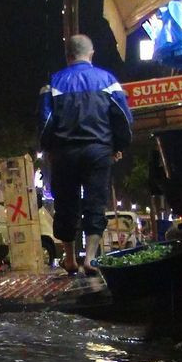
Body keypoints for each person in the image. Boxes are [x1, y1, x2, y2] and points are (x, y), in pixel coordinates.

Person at [39, 34, 133, 275]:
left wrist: (49, 148)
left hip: (64, 153)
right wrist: (118, 147)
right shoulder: (108, 81)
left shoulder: (53, 83)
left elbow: (46, 121)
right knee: (95, 203)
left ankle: (69, 259)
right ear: (91, 54)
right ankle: (90, 259)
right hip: (98, 151)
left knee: (65, 204)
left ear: (68, 55)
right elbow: (123, 118)